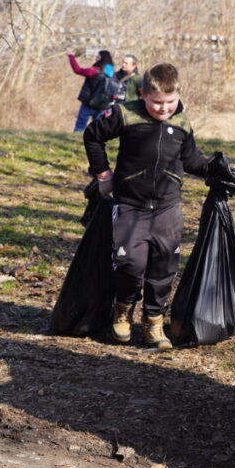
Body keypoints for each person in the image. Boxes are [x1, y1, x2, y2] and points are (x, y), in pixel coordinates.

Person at [83, 63, 212, 350]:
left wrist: (217, 169)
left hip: (168, 209)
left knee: (164, 265)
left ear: (178, 95)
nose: (164, 109)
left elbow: (192, 161)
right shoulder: (125, 115)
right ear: (143, 95)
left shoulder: (181, 123)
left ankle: (154, 322)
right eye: (157, 102)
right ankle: (123, 307)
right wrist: (103, 174)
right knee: (131, 264)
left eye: (170, 102)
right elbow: (92, 136)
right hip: (131, 205)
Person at [69, 49, 114, 132]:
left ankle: (75, 141)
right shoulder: (112, 73)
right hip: (102, 104)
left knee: (80, 125)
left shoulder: (93, 71)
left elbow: (78, 70)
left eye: (98, 56)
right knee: (98, 128)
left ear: (102, 58)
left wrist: (71, 56)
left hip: (89, 102)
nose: (96, 57)